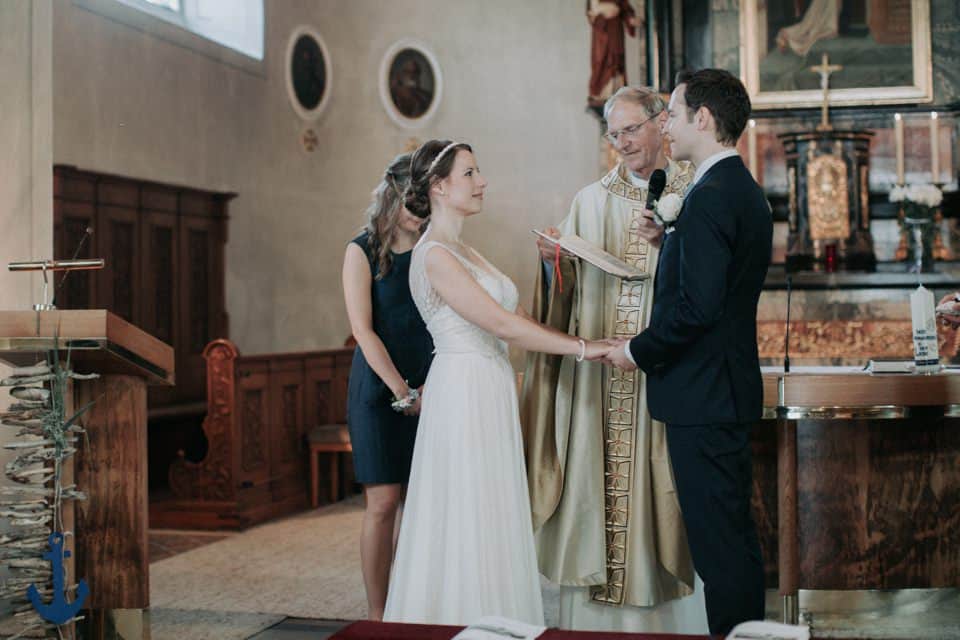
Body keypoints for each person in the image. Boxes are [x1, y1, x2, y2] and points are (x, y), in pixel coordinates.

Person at [382, 139, 612, 625]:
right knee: (466, 509)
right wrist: (586, 349)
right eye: (470, 173)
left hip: (489, 384)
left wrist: (555, 266)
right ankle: (462, 621)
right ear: (440, 187)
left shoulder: (466, 250)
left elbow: (521, 315)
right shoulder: (434, 257)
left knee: (494, 509)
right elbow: (503, 326)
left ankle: (499, 623)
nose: (482, 181)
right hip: (463, 389)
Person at [522, 85, 705, 633]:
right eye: (613, 133)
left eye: (631, 129)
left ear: (661, 125)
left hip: (664, 375)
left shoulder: (694, 189)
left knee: (665, 487)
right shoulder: (590, 200)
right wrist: (555, 261)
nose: (622, 143)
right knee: (596, 488)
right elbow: (565, 294)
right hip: (600, 381)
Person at [606, 68, 772, 635]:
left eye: (672, 114)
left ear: (703, 118)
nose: (666, 127)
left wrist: (635, 349)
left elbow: (697, 310)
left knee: (719, 550)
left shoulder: (708, 198)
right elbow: (716, 291)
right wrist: (671, 239)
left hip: (702, 397)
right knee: (732, 539)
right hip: (723, 390)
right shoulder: (737, 190)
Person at [341, 153, 433, 620]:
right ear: (394, 197)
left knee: (423, 503)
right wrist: (402, 390)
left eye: (427, 204)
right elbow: (364, 330)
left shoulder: (435, 249)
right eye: (414, 203)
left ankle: (415, 603)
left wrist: (432, 388)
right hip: (379, 390)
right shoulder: (361, 250)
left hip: (433, 388)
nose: (421, 214)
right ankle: (378, 614)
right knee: (383, 503)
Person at [587, 0, 638, 108]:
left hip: (615, 31)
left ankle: (616, 91)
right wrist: (603, 9)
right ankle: (601, 93)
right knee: (601, 61)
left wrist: (630, 19)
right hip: (601, 32)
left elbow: (625, 9)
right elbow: (591, 12)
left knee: (616, 60)